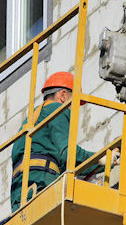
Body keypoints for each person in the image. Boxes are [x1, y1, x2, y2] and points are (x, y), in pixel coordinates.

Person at [11, 71, 119, 212]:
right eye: (74, 104)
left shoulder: (31, 123)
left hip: (20, 196)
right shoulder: (56, 109)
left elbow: (66, 163)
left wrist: (104, 164)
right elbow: (69, 154)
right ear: (63, 96)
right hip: (42, 184)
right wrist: (101, 159)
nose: (74, 111)